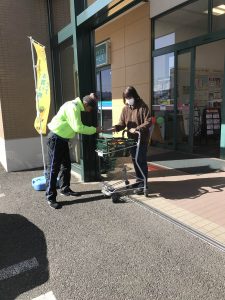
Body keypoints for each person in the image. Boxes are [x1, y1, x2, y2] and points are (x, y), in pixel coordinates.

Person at [46, 93, 102, 209]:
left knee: (66, 165)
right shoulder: (73, 107)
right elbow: (78, 127)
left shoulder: (75, 105)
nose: (90, 110)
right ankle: (50, 197)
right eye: (90, 108)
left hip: (62, 139)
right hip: (56, 138)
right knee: (53, 168)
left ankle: (65, 189)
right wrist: (95, 129)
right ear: (86, 104)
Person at [112, 86, 152, 194]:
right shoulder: (125, 108)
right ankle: (139, 180)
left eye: (129, 97)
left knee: (141, 161)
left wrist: (137, 128)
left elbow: (148, 122)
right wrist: (116, 127)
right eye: (126, 98)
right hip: (131, 140)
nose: (128, 99)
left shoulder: (143, 107)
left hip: (141, 138)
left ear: (134, 95)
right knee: (135, 160)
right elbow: (122, 123)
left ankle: (144, 184)